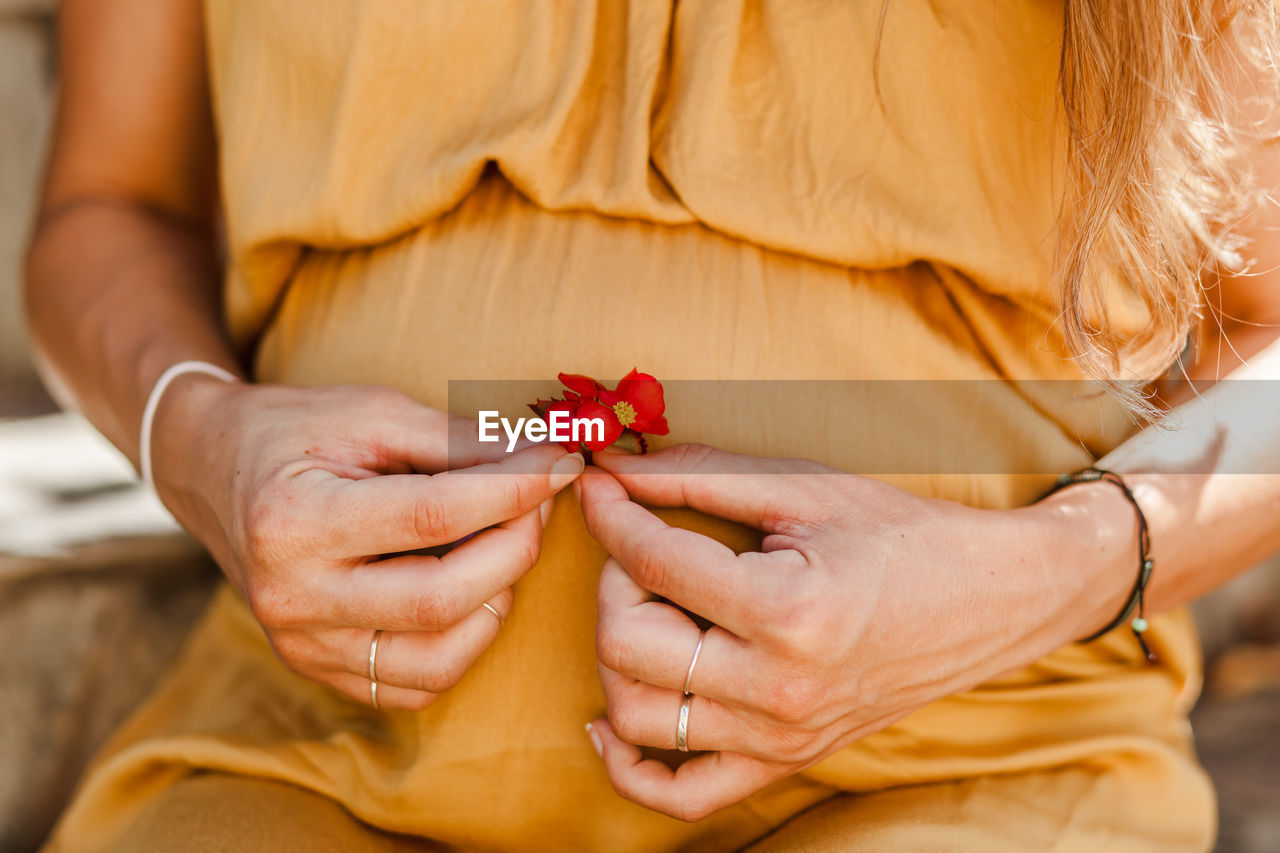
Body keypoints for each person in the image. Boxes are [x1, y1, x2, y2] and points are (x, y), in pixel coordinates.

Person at [24, 1, 1280, 850]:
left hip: (968, 759)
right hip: (310, 752)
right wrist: (202, 443)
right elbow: (110, 203)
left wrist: (1037, 572)